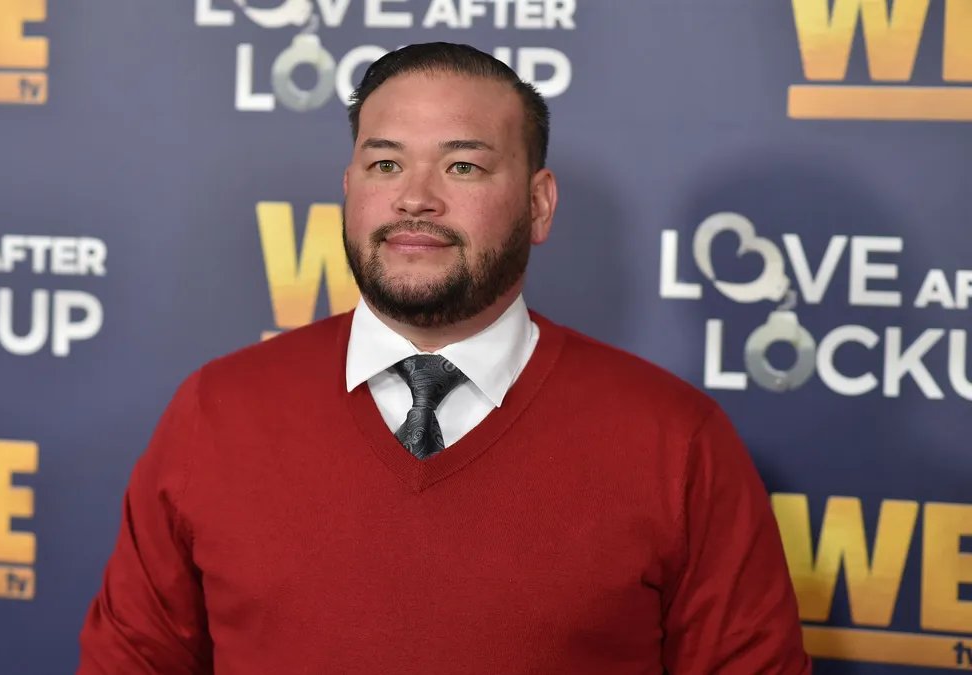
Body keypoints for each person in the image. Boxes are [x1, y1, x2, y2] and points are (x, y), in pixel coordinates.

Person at [78, 42, 811, 674]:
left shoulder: (675, 440)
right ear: (349, 190)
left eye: (461, 167)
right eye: (386, 163)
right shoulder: (218, 411)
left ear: (539, 204)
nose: (416, 199)